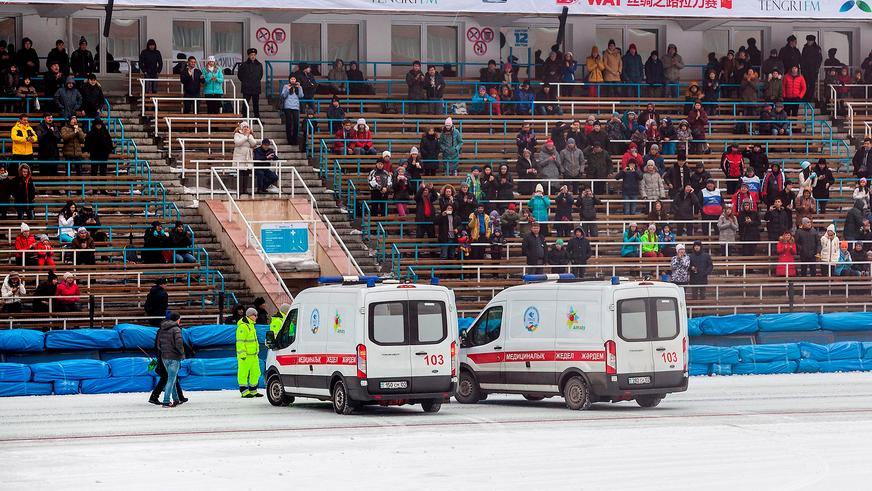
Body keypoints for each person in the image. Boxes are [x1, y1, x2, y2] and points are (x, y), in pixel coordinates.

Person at [156, 312, 185, 408]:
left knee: (171, 379)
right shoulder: (176, 329)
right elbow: (179, 344)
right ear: (177, 319)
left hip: (165, 357)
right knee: (171, 380)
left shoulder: (162, 329)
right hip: (174, 357)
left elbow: (158, 345)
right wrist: (182, 354)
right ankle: (166, 401)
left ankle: (176, 399)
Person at [236, 307, 262, 398]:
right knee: (243, 373)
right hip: (245, 356)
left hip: (253, 356)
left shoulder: (251, 325)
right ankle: (244, 391)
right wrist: (242, 354)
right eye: (255, 315)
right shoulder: (243, 327)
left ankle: (253, 390)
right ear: (250, 316)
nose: (256, 317)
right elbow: (240, 342)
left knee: (256, 372)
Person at [237, 48, 263, 118]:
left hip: (256, 87)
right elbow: (239, 75)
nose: (253, 56)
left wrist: (256, 82)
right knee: (245, 103)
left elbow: (260, 75)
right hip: (246, 87)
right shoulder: (244, 64)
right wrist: (245, 81)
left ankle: (257, 118)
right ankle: (244, 118)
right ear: (248, 55)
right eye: (251, 55)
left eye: (254, 55)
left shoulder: (259, 65)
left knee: (256, 104)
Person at [800, 35, 822, 102]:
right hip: (805, 70)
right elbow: (802, 59)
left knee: (812, 85)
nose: (808, 42)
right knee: (805, 84)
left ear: (813, 41)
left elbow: (819, 59)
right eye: (808, 40)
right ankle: (805, 97)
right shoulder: (805, 48)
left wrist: (816, 69)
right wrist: (802, 68)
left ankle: (809, 98)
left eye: (810, 41)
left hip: (813, 70)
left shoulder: (817, 48)